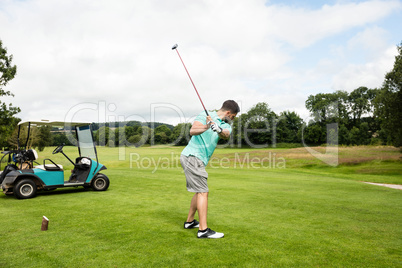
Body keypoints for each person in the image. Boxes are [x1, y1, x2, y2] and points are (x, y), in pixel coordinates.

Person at [180, 100, 240, 239]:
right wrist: (207, 126)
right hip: (192, 156)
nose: (232, 120)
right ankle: (203, 230)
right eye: (233, 117)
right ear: (228, 113)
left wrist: (218, 129)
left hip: (198, 159)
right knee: (203, 192)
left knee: (199, 191)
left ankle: (189, 222)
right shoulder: (205, 115)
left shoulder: (225, 125)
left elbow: (225, 134)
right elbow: (192, 131)